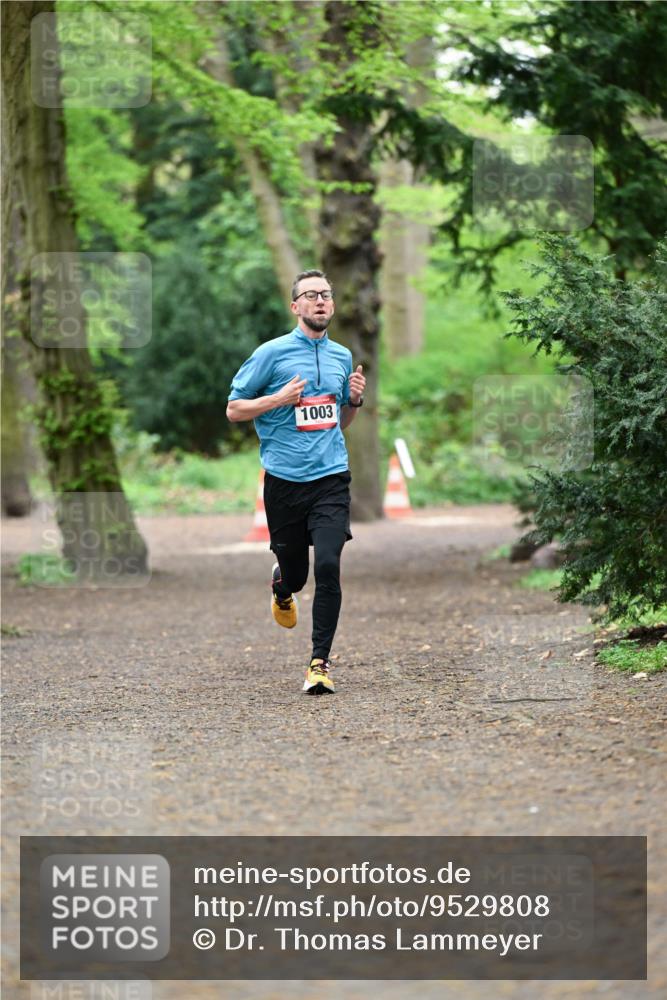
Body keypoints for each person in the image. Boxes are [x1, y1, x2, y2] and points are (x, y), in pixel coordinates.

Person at [226, 269, 365, 695]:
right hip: (285, 482)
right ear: (295, 306)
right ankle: (281, 586)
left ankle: (318, 664)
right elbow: (234, 409)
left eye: (326, 294)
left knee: (328, 566)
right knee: (298, 575)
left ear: (333, 304)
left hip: (330, 478)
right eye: (310, 295)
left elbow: (340, 421)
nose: (320, 301)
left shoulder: (342, 357)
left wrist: (355, 400)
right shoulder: (271, 353)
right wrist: (278, 400)